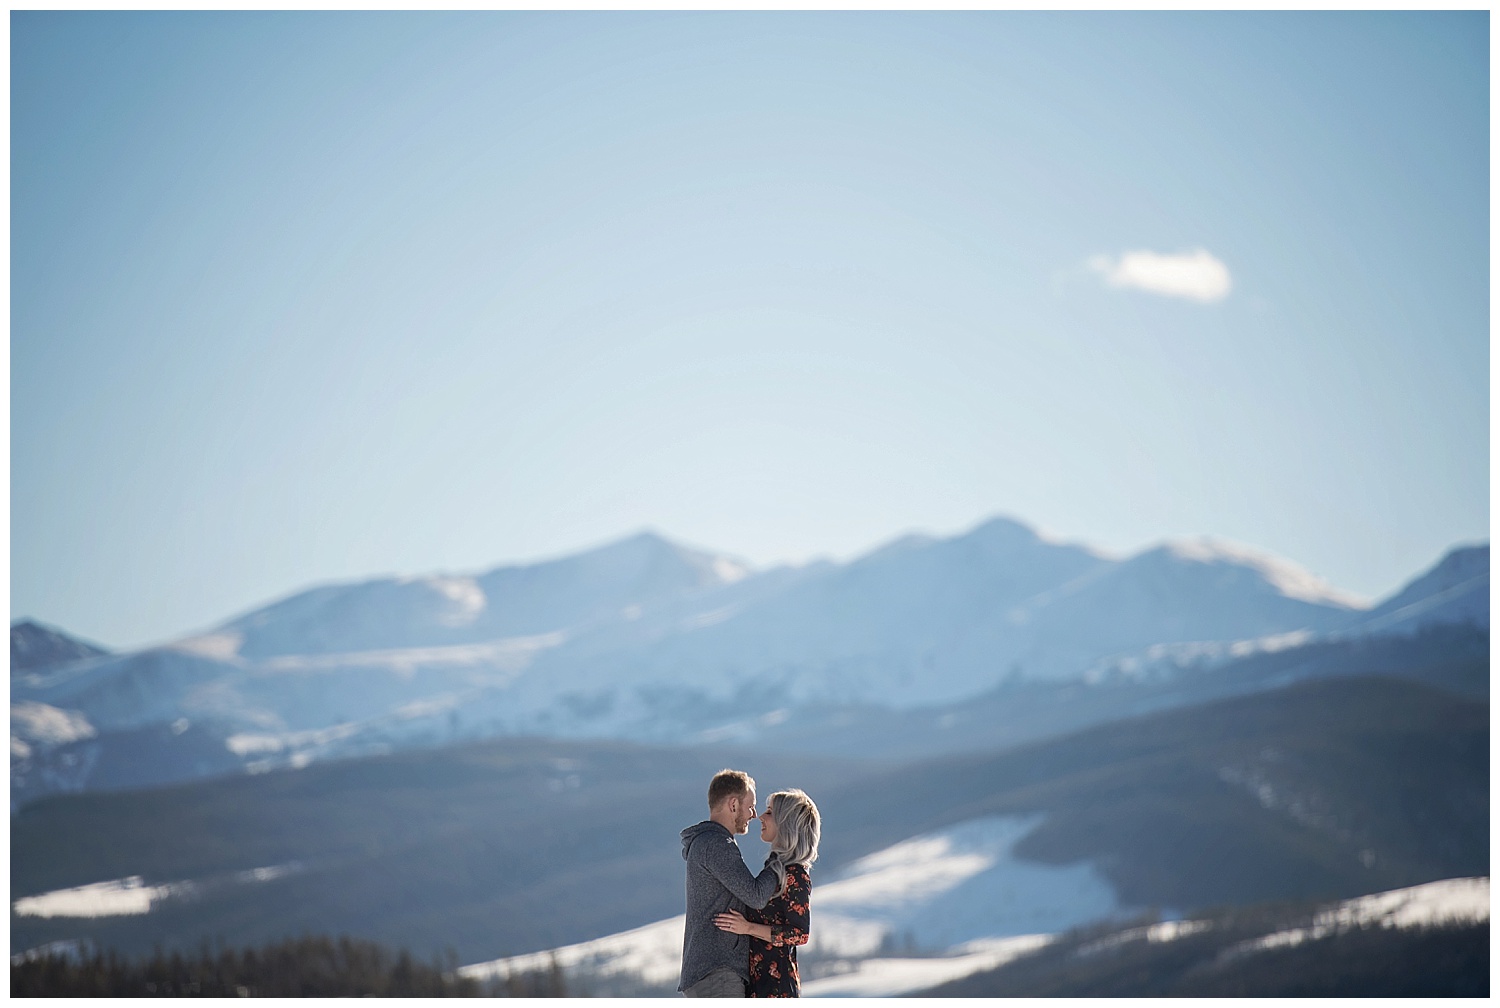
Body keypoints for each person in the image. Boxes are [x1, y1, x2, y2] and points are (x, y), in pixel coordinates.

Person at [679, 769, 783, 997]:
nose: (754, 815)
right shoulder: (717, 845)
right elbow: (756, 896)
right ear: (733, 804)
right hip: (718, 972)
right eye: (751, 806)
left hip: (710, 971)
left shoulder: (708, 842)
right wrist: (780, 860)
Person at [713, 789, 820, 998]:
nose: (761, 816)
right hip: (757, 984)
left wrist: (747, 927)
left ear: (786, 823)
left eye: (770, 812)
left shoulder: (795, 875)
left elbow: (800, 933)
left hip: (777, 988)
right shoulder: (775, 869)